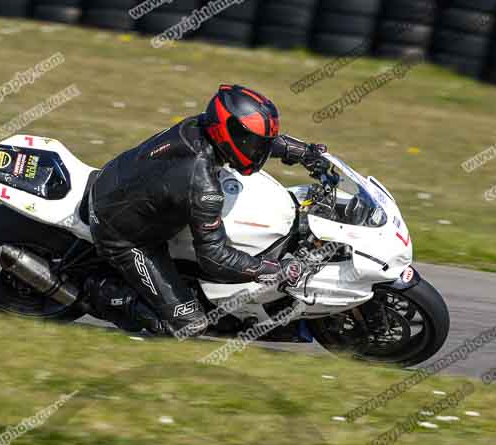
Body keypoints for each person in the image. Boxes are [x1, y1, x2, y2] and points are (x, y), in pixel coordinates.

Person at [84, 84, 328, 337]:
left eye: (259, 143)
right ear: (226, 132)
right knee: (190, 325)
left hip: (123, 182)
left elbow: (251, 139)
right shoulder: (202, 184)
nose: (256, 150)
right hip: (124, 234)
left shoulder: (203, 127)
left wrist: (300, 151)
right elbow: (214, 258)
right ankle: (100, 291)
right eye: (252, 143)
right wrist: (272, 270)